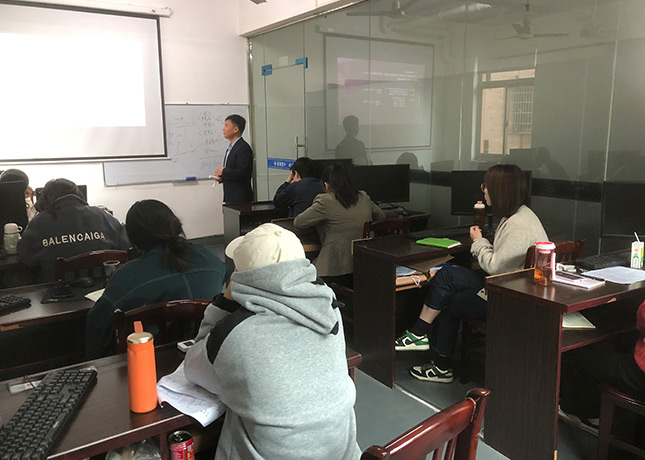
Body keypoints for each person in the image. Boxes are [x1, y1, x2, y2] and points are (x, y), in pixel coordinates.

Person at [184, 223, 361, 460]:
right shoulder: (329, 309)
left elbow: (192, 368)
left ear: (242, 277)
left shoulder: (236, 334)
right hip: (343, 454)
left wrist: (224, 303)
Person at [395, 164, 548, 383]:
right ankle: (420, 334)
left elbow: (494, 266)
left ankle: (438, 363)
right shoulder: (519, 215)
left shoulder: (518, 225)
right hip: (505, 285)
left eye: (487, 185)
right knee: (447, 274)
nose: (483, 189)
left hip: (507, 296)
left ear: (500, 190)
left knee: (450, 300)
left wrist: (478, 242)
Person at [84, 199, 226, 359]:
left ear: (133, 238)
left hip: (144, 363)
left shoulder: (127, 276)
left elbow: (97, 324)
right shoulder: (210, 259)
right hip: (204, 355)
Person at [559, 300, 645, 434]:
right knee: (624, 341)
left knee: (582, 356)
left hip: (640, 372)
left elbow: (642, 316)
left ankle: (587, 415)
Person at [17, 178, 130, 281]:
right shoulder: (103, 216)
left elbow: (26, 256)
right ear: (78, 194)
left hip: (59, 292)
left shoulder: (38, 223)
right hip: (105, 288)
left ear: (45, 199)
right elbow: (126, 247)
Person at [293, 164, 385, 280]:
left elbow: (299, 222)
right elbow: (381, 215)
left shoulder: (325, 201)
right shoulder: (363, 196)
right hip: (363, 264)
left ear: (326, 185)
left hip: (334, 267)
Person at [214, 114, 253, 204]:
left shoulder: (243, 148)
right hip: (230, 197)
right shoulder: (231, 147)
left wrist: (224, 172)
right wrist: (223, 177)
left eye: (226, 126)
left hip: (240, 199)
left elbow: (243, 172)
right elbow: (233, 171)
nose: (223, 129)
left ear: (235, 129)